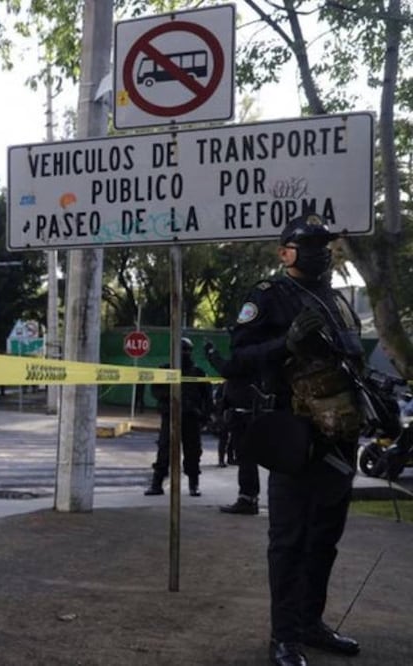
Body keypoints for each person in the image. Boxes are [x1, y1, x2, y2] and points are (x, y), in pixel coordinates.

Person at [226, 214, 364, 666]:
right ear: (286, 252)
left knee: (325, 537)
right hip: (294, 433)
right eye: (309, 245)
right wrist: (286, 343)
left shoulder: (339, 302)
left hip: (340, 437)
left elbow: (352, 361)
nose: (320, 252)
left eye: (324, 245)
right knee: (288, 541)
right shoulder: (269, 297)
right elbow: (238, 360)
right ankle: (283, 637)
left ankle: (310, 623)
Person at [144, 337, 213, 497]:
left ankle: (193, 484)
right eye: (181, 350)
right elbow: (156, 391)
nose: (184, 353)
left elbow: (207, 398)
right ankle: (157, 483)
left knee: (193, 452)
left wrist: (204, 416)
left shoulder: (198, 372)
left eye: (187, 350)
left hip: (191, 418)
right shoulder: (165, 370)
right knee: (164, 450)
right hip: (170, 416)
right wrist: (171, 398)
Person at [204, 341, 261, 515]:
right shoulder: (255, 357)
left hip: (245, 417)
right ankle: (248, 497)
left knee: (246, 458)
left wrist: (212, 354)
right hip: (244, 415)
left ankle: (247, 498)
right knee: (245, 457)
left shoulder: (246, 358)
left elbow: (226, 369)